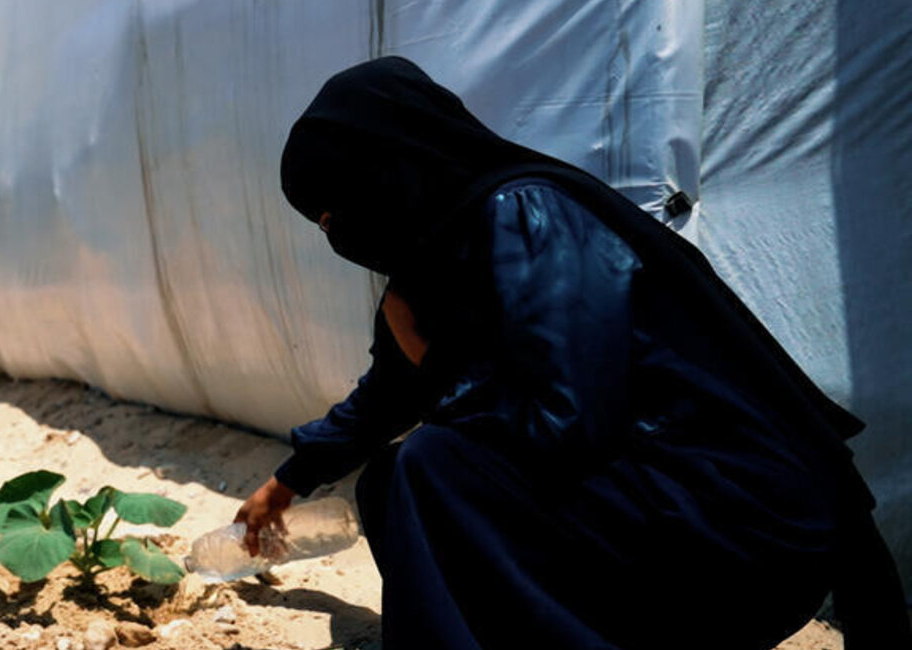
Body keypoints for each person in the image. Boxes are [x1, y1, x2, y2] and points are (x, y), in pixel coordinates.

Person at [234, 56, 910, 649]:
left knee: (435, 464)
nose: (341, 237)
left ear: (394, 164)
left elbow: (568, 416)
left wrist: (436, 366)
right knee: (389, 482)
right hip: (661, 516)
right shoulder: (436, 262)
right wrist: (289, 480)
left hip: (742, 525)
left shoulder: (530, 215)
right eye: (325, 224)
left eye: (339, 211)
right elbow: (390, 391)